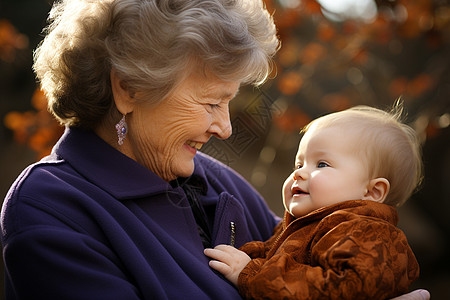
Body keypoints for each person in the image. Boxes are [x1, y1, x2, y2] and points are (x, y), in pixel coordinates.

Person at [0, 0, 429, 299]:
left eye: (229, 102)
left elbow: (318, 257)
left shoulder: (213, 179)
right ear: (129, 88)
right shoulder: (51, 210)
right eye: (210, 103)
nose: (224, 128)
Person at [205, 105, 425, 299]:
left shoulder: (368, 234)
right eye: (298, 164)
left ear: (372, 191)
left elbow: (340, 290)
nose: (299, 174)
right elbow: (273, 254)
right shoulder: (304, 224)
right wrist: (250, 255)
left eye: (321, 164)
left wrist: (253, 273)